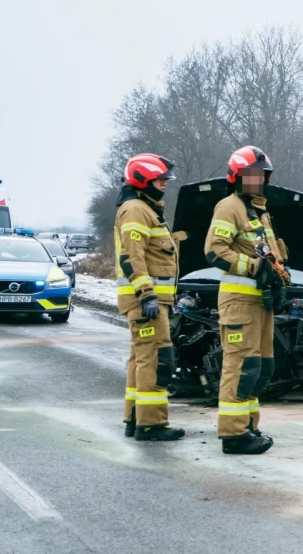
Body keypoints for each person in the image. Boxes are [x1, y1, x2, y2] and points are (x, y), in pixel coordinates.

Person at [204, 145, 289, 455]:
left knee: (261, 367)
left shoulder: (259, 211)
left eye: (262, 176)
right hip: (239, 301)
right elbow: (215, 251)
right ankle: (233, 434)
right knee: (240, 367)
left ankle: (248, 426)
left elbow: (272, 255)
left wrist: (280, 276)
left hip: (261, 302)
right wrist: (255, 267)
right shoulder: (228, 207)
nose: (258, 181)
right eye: (252, 176)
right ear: (237, 177)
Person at [115, 153, 185, 441]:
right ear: (143, 179)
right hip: (146, 301)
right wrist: (147, 295)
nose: (164, 184)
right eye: (159, 179)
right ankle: (152, 424)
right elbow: (133, 256)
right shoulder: (136, 210)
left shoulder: (143, 208)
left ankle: (135, 419)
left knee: (141, 360)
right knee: (157, 360)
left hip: (150, 301)